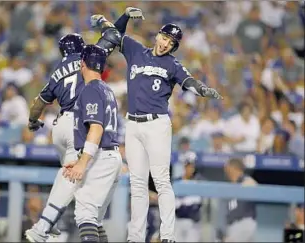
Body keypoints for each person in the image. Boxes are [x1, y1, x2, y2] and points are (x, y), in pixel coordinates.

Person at [92, 14, 222, 242]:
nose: (165, 44)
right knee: (138, 184)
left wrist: (203, 90)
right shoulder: (136, 50)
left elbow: (188, 81)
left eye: (171, 43)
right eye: (164, 38)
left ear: (174, 47)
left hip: (156, 125)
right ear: (158, 35)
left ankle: (168, 236)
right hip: (133, 124)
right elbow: (113, 35)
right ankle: (136, 237)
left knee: (161, 181)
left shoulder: (172, 64)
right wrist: (116, 17)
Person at [25, 8, 145, 243]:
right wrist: (123, 18)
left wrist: (32, 122)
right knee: (74, 177)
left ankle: (52, 220)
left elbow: (37, 104)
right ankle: (44, 225)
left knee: (74, 178)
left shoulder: (56, 73)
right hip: (80, 123)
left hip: (59, 125)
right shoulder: (89, 62)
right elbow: (113, 35)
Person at [63, 44, 122, 242]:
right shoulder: (107, 89)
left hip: (101, 156)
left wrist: (83, 162)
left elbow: (96, 129)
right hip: (110, 156)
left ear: (82, 64)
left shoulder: (91, 89)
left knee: (85, 214)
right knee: (94, 220)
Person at [223, 158, 258, 242]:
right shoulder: (233, 185)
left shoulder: (245, 180)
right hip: (235, 225)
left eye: (227, 169)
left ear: (233, 168)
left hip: (243, 223)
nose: (226, 172)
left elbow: (254, 185)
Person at [173, 151, 205, 242]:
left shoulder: (199, 181)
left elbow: (197, 203)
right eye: (188, 165)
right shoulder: (177, 181)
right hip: (178, 221)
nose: (190, 168)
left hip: (193, 223)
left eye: (192, 166)